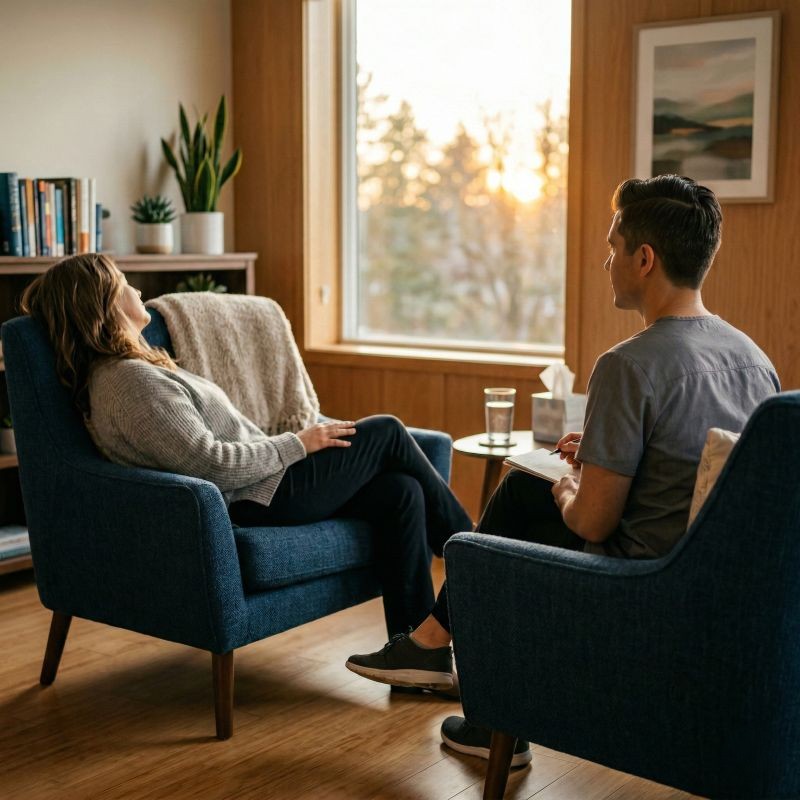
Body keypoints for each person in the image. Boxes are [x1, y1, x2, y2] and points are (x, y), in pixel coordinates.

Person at [345, 175, 781, 767]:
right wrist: (600, 454)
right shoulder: (755, 361)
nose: (606, 262)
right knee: (526, 491)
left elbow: (595, 524)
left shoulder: (628, 365)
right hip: (713, 583)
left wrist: (573, 483)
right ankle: (431, 648)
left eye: (612, 248)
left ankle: (483, 708)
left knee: (505, 518)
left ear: (645, 259)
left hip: (639, 587)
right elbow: (689, 468)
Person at [20, 253, 473, 646]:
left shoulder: (133, 369)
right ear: (103, 305)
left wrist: (295, 445)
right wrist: (297, 443)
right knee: (387, 431)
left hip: (266, 482)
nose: (137, 290)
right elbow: (210, 463)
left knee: (400, 492)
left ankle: (417, 653)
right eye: (123, 285)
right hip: (259, 495)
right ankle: (474, 552)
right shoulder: (127, 383)